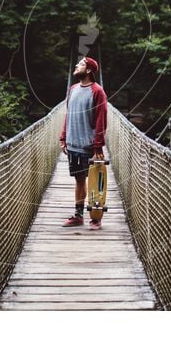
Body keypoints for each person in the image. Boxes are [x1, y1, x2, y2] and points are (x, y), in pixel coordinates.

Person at [59, 56, 108, 229]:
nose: (76, 65)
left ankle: (95, 218)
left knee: (95, 181)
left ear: (88, 70)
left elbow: (102, 120)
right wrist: (64, 137)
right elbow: (68, 114)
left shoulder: (97, 91)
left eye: (80, 64)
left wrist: (98, 146)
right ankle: (78, 215)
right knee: (79, 180)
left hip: (89, 146)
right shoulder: (72, 89)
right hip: (73, 144)